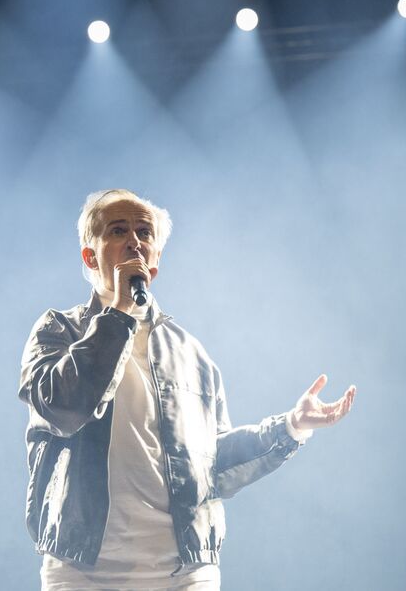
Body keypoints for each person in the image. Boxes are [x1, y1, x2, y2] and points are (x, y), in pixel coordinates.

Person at [19, 189, 356, 591]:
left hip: (183, 575)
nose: (135, 242)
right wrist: (120, 313)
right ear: (90, 256)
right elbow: (64, 406)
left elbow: (212, 466)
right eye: (118, 230)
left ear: (156, 258)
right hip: (84, 574)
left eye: (145, 233)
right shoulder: (59, 330)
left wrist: (291, 428)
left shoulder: (191, 354)